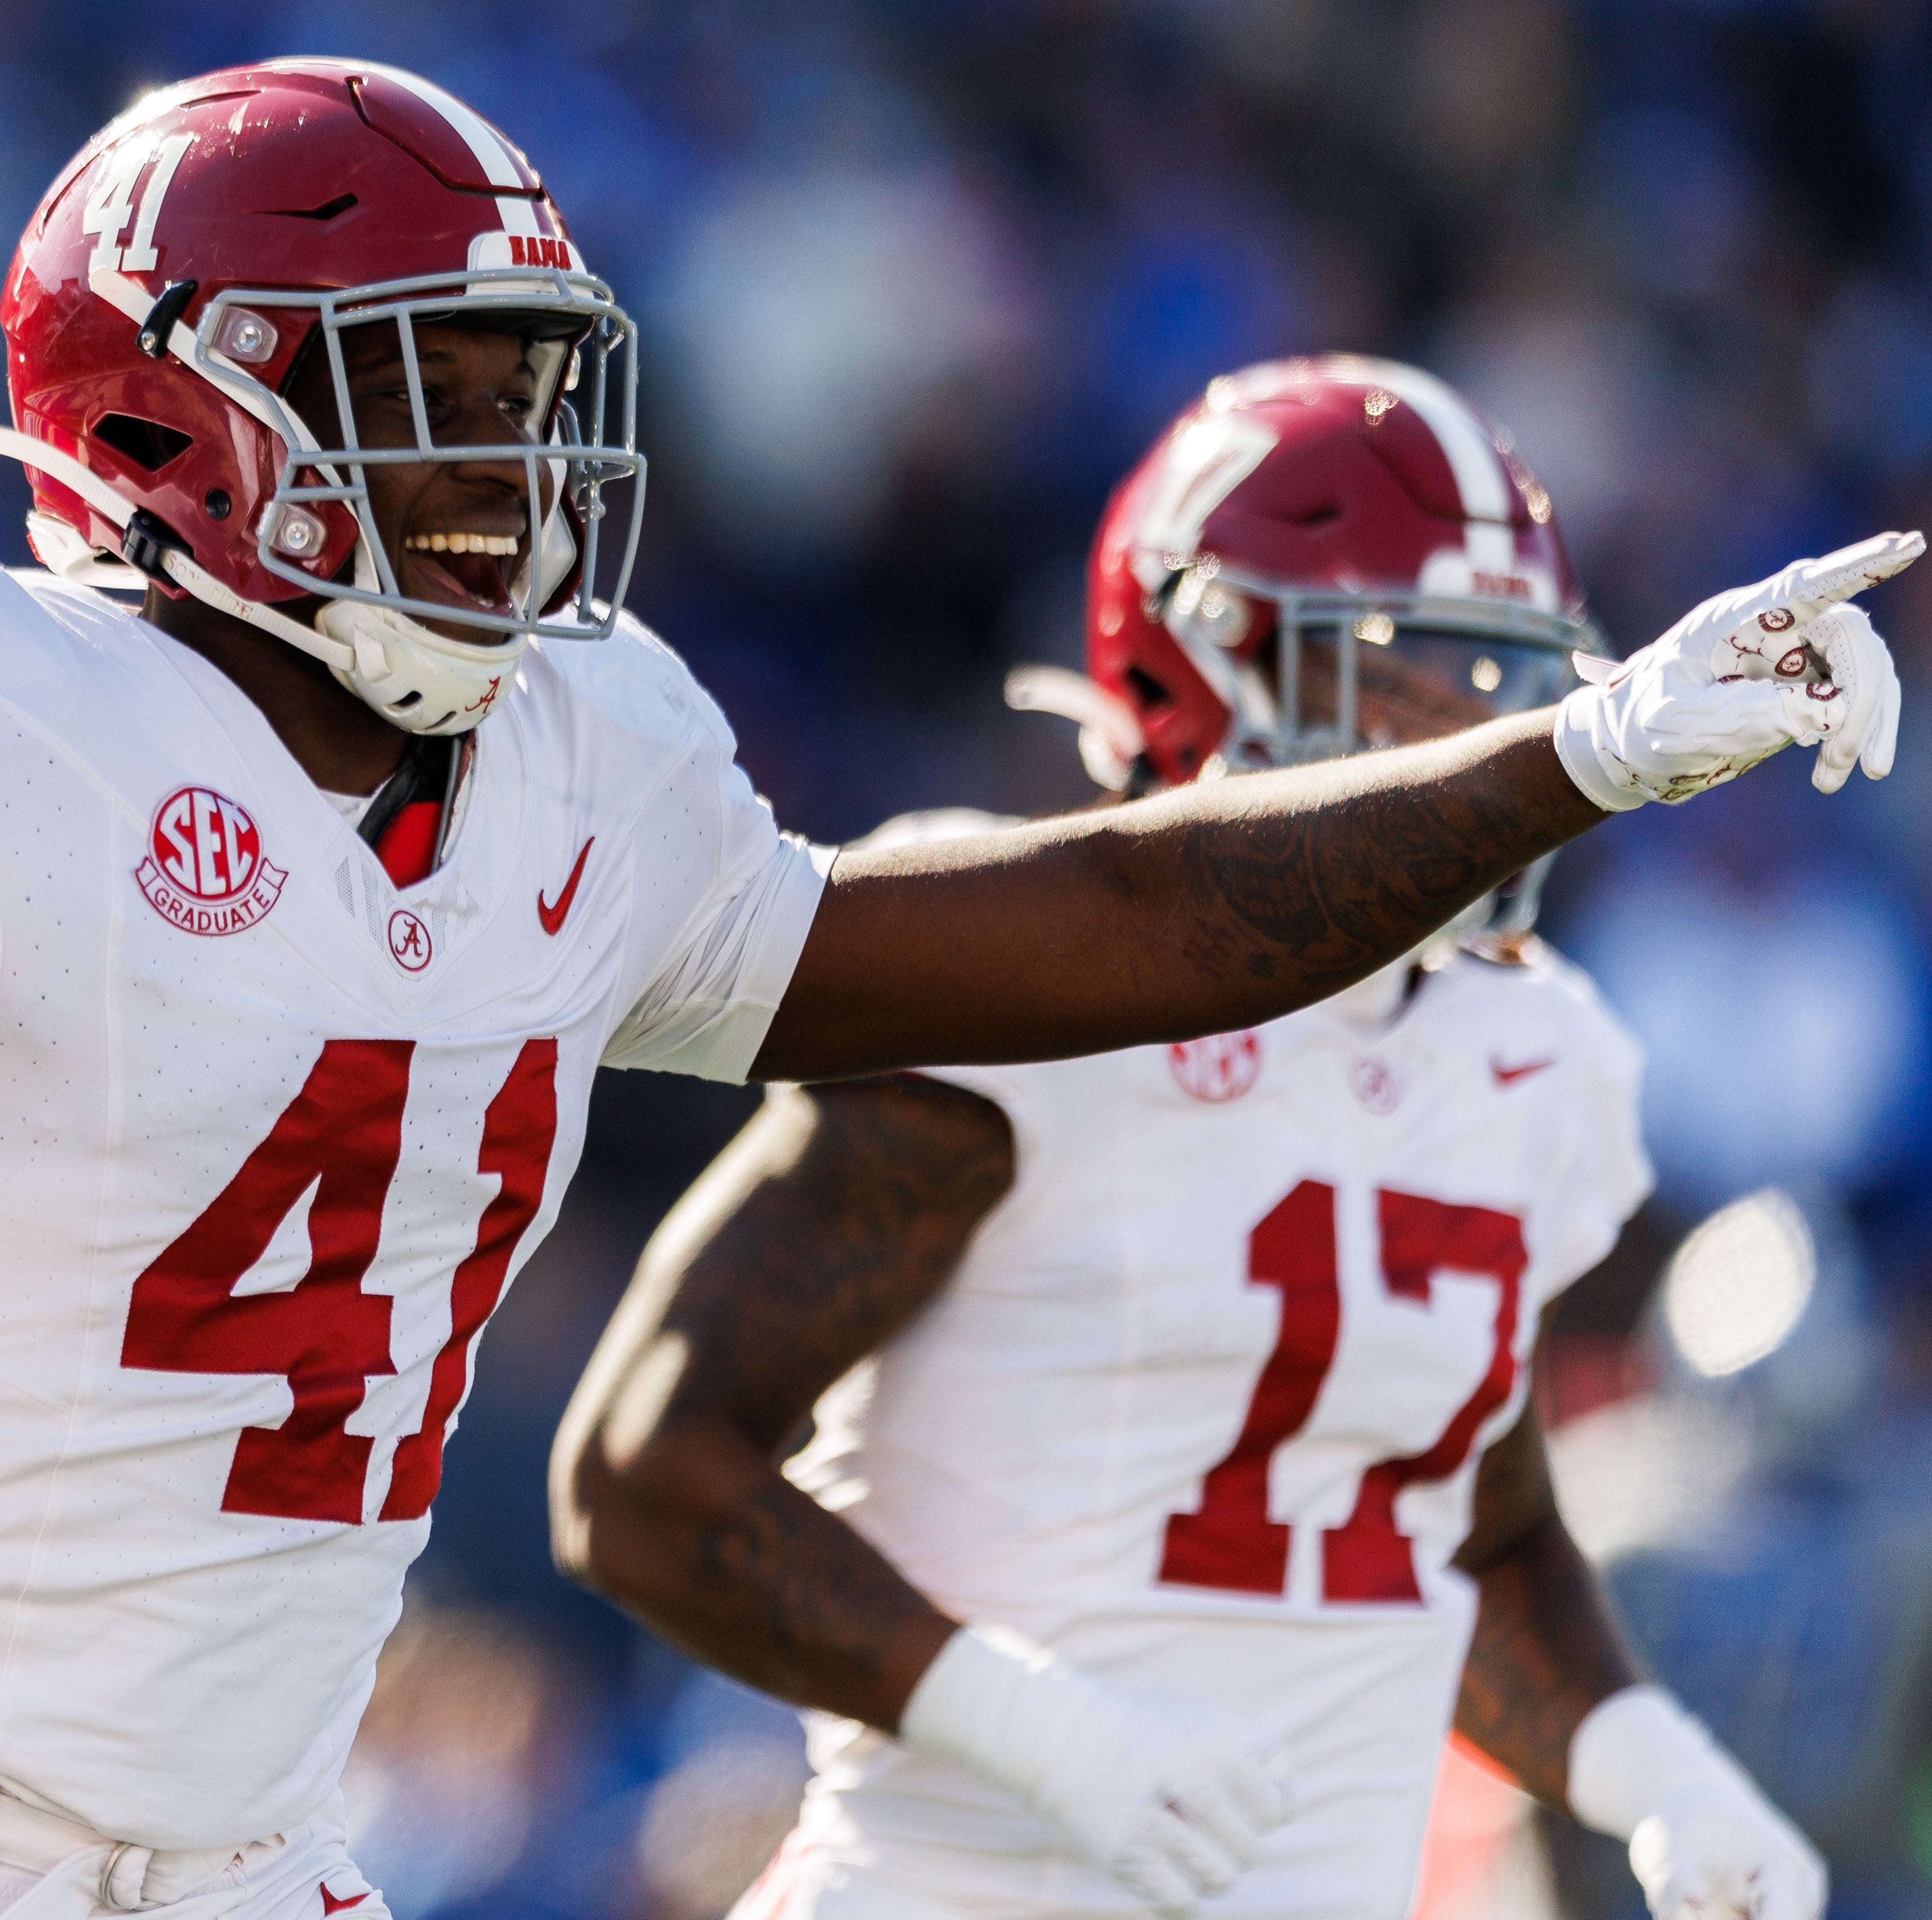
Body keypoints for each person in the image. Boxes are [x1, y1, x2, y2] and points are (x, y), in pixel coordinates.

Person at [0, 61, 1893, 1920]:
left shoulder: (590, 757)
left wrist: (1587, 754)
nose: (510, 465)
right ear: (164, 411)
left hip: (249, 1842)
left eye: (528, 390)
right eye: (425, 396)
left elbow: (1109, 930)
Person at [551, 357, 1827, 1920]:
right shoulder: (1029, 1012)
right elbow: (641, 1472)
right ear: (1196, 664)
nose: (1471, 721)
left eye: (1510, 674)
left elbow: (1457, 1530)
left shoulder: (1538, 1056)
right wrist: (1033, 1729)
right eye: (1410, 664)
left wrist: (1655, 1775)